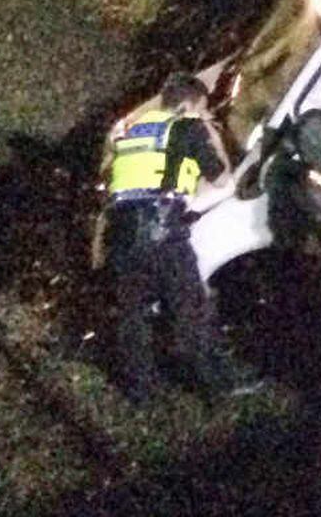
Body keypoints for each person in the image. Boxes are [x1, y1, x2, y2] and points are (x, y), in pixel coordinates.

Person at [94, 72, 253, 403]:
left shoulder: (133, 129)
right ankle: (218, 383)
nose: (205, 116)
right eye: (203, 109)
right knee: (191, 306)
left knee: (132, 314)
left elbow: (119, 175)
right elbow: (222, 179)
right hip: (161, 229)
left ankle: (141, 391)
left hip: (119, 229)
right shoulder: (187, 127)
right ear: (189, 105)